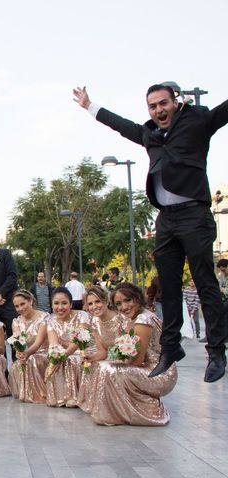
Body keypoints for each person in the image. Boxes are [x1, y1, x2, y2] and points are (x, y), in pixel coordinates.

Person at [74, 84, 228, 382]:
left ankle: (217, 350)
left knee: (205, 281)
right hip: (166, 219)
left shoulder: (198, 122)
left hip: (194, 213)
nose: (158, 110)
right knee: (167, 286)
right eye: (153, 106)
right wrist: (90, 106)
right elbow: (123, 127)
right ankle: (171, 347)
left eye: (163, 104)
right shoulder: (151, 134)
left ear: (175, 103)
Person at [88, 283, 177, 426]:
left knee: (108, 369)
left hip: (159, 373)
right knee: (102, 366)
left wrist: (117, 359)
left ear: (138, 297)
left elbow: (136, 360)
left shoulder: (143, 320)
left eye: (128, 300)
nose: (124, 307)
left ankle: (118, 414)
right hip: (145, 367)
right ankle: (116, 410)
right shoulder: (131, 319)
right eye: (118, 304)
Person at [77, 286, 124, 413]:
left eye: (97, 301)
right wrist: (90, 358)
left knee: (104, 368)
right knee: (90, 364)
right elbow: (103, 351)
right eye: (90, 304)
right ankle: (99, 405)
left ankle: (113, 408)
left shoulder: (120, 319)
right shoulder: (95, 323)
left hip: (126, 359)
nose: (94, 306)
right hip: (110, 358)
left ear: (106, 301)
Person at [45, 287, 91, 407]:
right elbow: (53, 345)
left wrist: (63, 355)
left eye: (64, 303)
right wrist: (55, 358)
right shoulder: (51, 322)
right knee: (53, 361)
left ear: (71, 304)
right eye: (56, 303)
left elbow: (79, 339)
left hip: (84, 351)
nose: (60, 307)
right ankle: (63, 397)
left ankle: (78, 397)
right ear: (51, 305)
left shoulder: (82, 315)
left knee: (72, 359)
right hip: (66, 353)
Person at [8, 289, 50, 404]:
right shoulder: (16, 321)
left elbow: (38, 342)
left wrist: (27, 353)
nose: (20, 308)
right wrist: (19, 352)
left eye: (22, 304)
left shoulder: (44, 317)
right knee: (17, 365)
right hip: (27, 353)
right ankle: (26, 393)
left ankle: (40, 394)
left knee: (33, 360)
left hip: (44, 352)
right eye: (17, 306)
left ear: (30, 301)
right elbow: (17, 340)